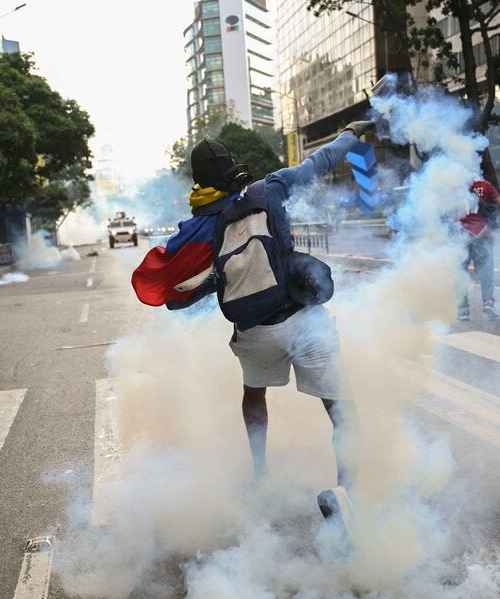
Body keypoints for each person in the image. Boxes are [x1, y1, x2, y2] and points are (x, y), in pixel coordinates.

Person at [132, 122, 376, 529]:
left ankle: (261, 471)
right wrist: (352, 131)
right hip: (303, 320)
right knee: (341, 409)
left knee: (253, 392)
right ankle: (347, 493)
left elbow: (173, 281)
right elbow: (322, 160)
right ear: (233, 167)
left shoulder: (198, 225)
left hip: (255, 332)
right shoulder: (270, 188)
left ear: (198, 181)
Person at [457, 179, 500, 321]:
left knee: (460, 273)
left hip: (460, 235)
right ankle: (488, 303)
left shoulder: (450, 185)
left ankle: (463, 309)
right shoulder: (484, 185)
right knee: (486, 271)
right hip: (482, 233)